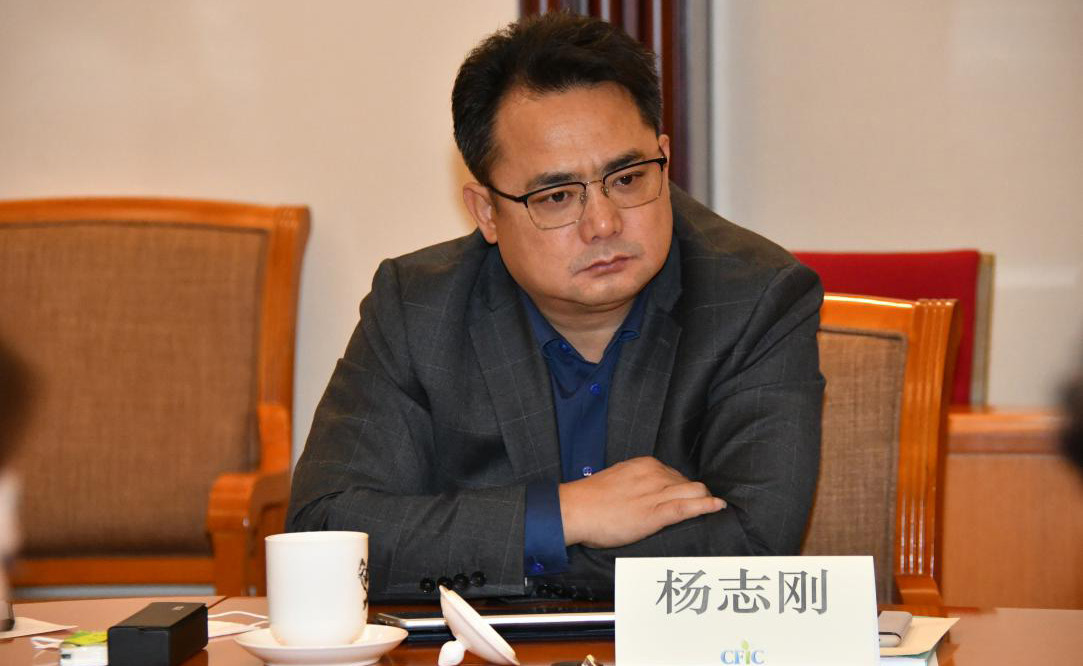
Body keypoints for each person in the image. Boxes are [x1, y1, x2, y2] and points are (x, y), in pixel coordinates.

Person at [288, 12, 824, 601]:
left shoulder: (755, 298)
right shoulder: (417, 307)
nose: (603, 224)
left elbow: (751, 548)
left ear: (664, 159)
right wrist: (566, 514)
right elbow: (327, 535)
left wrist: (497, 549)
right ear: (487, 213)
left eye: (627, 178)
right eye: (557, 195)